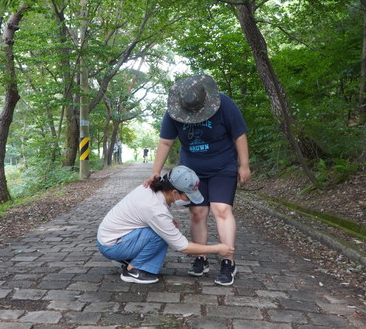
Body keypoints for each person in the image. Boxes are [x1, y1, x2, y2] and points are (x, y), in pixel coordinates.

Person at [144, 74, 251, 286]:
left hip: (223, 167)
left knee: (221, 210)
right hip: (192, 170)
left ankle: (228, 261)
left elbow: (239, 135)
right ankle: (201, 257)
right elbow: (166, 142)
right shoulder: (174, 112)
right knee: (197, 212)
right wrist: (155, 171)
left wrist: (244, 164)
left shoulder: (224, 104)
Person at [97, 165, 234, 284]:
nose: (189, 200)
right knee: (161, 235)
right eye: (188, 196)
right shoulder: (154, 209)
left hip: (113, 238)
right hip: (112, 245)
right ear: (174, 192)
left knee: (166, 228)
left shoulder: (153, 188)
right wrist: (217, 248)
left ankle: (129, 258)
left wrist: (168, 220)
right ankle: (134, 270)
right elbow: (182, 247)